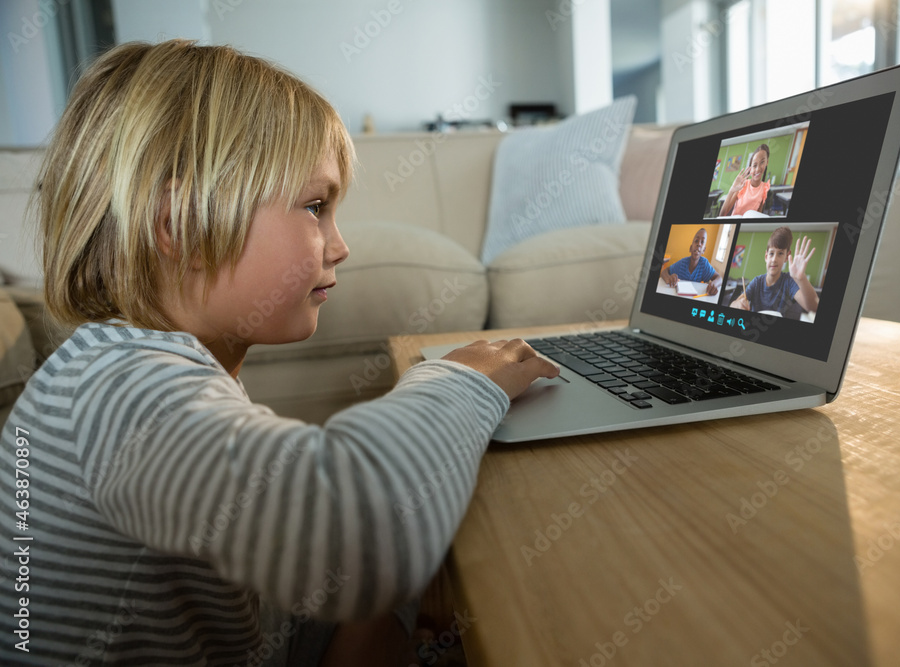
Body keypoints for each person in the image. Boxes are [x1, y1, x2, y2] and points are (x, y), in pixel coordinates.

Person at [0, 40, 558, 666]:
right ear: (180, 222)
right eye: (316, 207)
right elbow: (360, 537)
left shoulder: (128, 363)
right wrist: (459, 381)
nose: (339, 245)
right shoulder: (121, 387)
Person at [731, 226, 820, 316]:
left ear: (786, 256)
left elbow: (814, 307)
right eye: (771, 253)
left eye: (780, 253)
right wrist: (738, 304)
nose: (774, 259)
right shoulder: (757, 282)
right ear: (766, 256)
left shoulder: (789, 282)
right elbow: (733, 304)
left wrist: (801, 278)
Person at [660, 227, 722, 296]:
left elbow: (719, 278)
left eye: (702, 242)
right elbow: (664, 271)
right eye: (696, 241)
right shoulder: (682, 264)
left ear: (704, 250)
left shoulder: (704, 264)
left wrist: (714, 284)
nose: (699, 244)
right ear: (690, 248)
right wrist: (669, 278)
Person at [719, 144, 771, 217]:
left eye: (762, 162)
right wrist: (732, 190)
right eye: (754, 165)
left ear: (767, 162)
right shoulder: (742, 184)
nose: (758, 169)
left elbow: (758, 215)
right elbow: (722, 215)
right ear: (750, 168)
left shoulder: (765, 188)